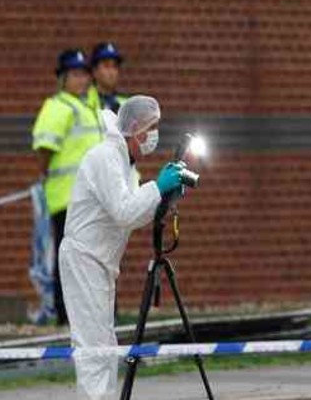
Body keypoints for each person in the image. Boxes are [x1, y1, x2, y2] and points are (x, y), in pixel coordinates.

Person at [59, 95, 189, 400]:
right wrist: (157, 187)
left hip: (99, 262)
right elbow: (124, 212)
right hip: (85, 258)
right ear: (136, 129)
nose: (155, 134)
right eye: (152, 127)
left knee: (104, 343)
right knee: (93, 346)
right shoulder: (106, 157)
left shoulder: (124, 164)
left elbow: (133, 214)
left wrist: (164, 197)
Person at [31, 49, 105, 325]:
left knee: (88, 259)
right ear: (63, 78)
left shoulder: (87, 107)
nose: (82, 79)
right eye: (75, 74)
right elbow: (44, 149)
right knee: (70, 260)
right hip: (66, 198)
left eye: (84, 74)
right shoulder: (58, 106)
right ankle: (66, 316)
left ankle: (87, 316)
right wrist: (44, 174)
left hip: (88, 199)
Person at [89, 43, 128, 113]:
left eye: (114, 66)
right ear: (95, 71)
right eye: (106, 66)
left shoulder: (125, 104)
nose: (111, 72)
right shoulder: (85, 101)